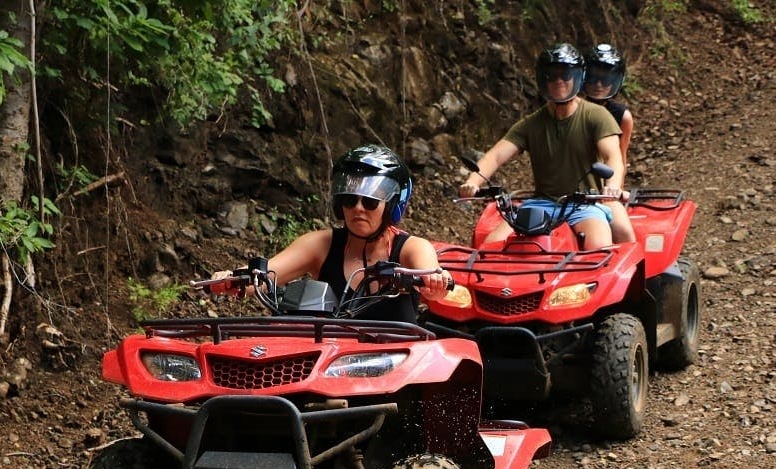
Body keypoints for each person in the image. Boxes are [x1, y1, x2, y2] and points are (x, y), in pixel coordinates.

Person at [214, 144, 453, 322]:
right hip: (329, 362)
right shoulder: (320, 244)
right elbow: (265, 275)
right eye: (349, 199)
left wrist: (435, 284)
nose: (358, 208)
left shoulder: (412, 248)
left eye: (370, 202)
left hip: (393, 368)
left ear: (392, 205)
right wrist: (232, 279)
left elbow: (433, 280)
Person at [458, 43, 626, 249]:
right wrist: (473, 182)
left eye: (565, 75)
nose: (559, 82)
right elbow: (496, 156)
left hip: (584, 203)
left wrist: (613, 186)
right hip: (540, 204)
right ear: (543, 79)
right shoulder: (532, 123)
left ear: (577, 78)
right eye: (552, 76)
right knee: (491, 246)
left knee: (599, 247)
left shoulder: (596, 115)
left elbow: (613, 157)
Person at [583, 43, 636, 243]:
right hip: (569, 188)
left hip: (602, 189)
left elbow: (619, 158)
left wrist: (614, 189)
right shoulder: (569, 109)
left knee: (624, 234)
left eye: (606, 79)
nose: (599, 84)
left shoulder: (622, 116)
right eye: (593, 77)